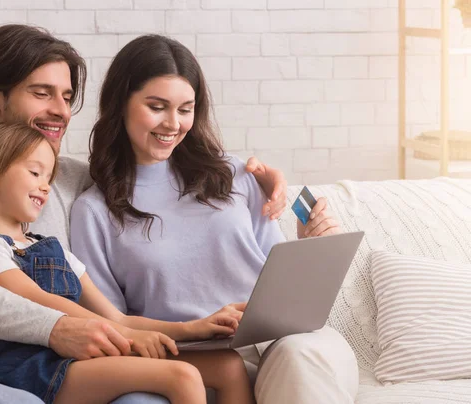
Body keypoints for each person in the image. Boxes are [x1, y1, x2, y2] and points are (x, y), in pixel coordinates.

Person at [0, 24, 288, 404]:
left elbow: (162, 195)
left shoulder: (76, 180)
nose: (61, 111)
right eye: (42, 94)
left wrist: (251, 179)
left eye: (67, 97)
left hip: (78, 358)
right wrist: (58, 329)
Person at [69, 34, 359, 404]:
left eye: (185, 108)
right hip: (189, 363)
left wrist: (314, 245)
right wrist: (192, 331)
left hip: (283, 346)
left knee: (299, 357)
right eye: (157, 106)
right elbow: (113, 325)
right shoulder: (94, 212)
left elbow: (281, 280)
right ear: (120, 104)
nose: (173, 123)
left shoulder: (233, 174)